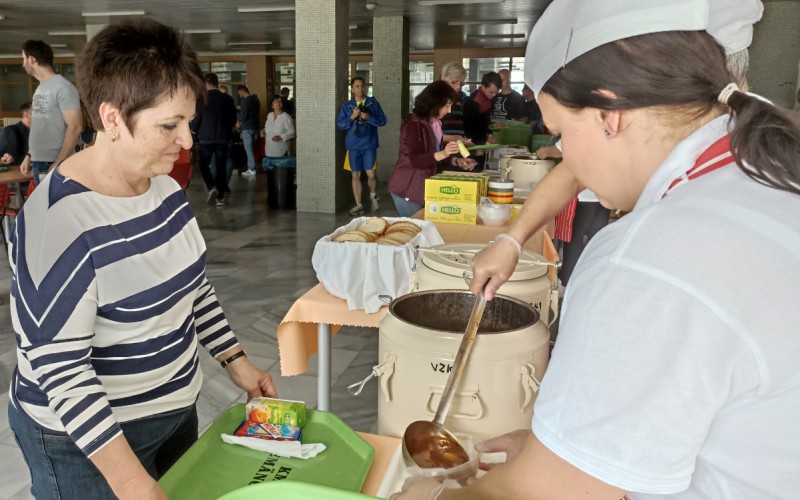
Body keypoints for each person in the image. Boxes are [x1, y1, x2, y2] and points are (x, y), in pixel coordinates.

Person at [395, 0, 800, 498]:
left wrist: (423, 493)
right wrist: (569, 454)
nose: (564, 156)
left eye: (561, 133)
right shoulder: (761, 169)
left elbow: (534, 495)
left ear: (610, 114)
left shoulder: (649, 260)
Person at [8, 18, 277, 500]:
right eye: (169, 125)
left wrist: (236, 360)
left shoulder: (165, 191)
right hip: (87, 444)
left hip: (175, 411)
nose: (187, 141)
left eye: (189, 123)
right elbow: (62, 372)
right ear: (112, 119)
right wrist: (131, 482)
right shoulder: (57, 224)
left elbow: (194, 288)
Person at [388, 81, 477, 217]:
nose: (449, 111)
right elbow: (417, 160)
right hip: (407, 188)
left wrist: (456, 161)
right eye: (447, 106)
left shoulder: (433, 123)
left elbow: (436, 155)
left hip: (422, 186)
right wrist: (444, 153)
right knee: (418, 229)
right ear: (435, 103)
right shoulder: (414, 125)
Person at [19, 39, 81, 185]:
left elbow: (76, 126)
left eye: (23, 59)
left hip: (54, 162)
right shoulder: (41, 88)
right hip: (39, 162)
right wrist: (29, 155)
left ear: (32, 59)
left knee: (59, 207)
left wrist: (59, 162)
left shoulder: (63, 87)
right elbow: (41, 127)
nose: (22, 64)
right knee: (44, 207)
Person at [336, 76, 387, 215]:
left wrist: (368, 117)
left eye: (362, 86)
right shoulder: (347, 106)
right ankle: (358, 205)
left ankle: (372, 194)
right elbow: (340, 124)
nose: (360, 88)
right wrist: (352, 117)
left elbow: (383, 121)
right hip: (353, 145)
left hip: (369, 144)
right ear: (352, 89)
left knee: (371, 174)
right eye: (357, 86)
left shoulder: (373, 103)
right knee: (355, 175)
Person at [191, 72, 238, 206]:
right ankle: (220, 198)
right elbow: (233, 119)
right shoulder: (228, 99)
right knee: (221, 166)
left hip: (206, 138)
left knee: (203, 164)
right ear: (217, 83)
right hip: (223, 138)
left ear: (205, 84)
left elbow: (197, 118)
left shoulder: (201, 100)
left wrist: (194, 129)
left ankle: (212, 187)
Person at [462, 71, 501, 172]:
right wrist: (485, 139)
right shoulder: (473, 102)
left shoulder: (488, 98)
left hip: (482, 142)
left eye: (496, 92)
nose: (493, 95)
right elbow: (469, 129)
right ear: (483, 86)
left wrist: (492, 127)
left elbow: (483, 122)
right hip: (474, 145)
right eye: (491, 92)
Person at [439, 61, 469, 145]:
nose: (458, 87)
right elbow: (428, 135)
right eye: (453, 82)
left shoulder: (463, 99)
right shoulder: (434, 99)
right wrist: (455, 138)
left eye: (461, 84)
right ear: (444, 78)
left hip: (459, 150)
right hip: (439, 151)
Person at [260, 95, 295, 166]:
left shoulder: (286, 117)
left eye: (280, 101)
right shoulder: (269, 115)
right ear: (272, 106)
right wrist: (263, 131)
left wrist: (280, 137)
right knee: (271, 175)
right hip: (269, 150)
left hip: (281, 152)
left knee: (280, 175)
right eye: (275, 102)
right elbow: (268, 127)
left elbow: (292, 132)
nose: (278, 103)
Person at [238, 85, 262, 177]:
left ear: (242, 91)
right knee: (251, 149)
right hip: (255, 127)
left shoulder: (245, 101)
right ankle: (251, 168)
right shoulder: (256, 99)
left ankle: (251, 169)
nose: (239, 95)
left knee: (248, 149)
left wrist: (238, 112)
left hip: (247, 128)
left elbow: (243, 117)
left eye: (239, 93)